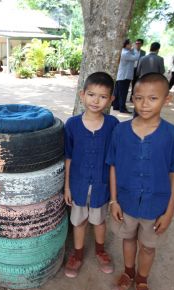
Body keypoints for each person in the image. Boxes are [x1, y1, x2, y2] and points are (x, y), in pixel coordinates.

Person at [107, 73, 174, 290]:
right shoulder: (120, 131)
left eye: (153, 98)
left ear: (167, 100)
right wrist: (114, 200)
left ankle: (142, 279)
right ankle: (128, 272)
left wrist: (170, 212)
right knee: (128, 239)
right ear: (132, 98)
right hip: (125, 202)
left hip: (156, 205)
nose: (144, 104)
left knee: (148, 246)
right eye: (138, 98)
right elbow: (113, 166)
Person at [63, 72, 119, 278]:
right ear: (82, 94)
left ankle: (100, 250)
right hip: (77, 184)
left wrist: (114, 195)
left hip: (101, 186)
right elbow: (68, 157)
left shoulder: (113, 125)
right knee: (79, 221)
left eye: (103, 96)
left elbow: (115, 161)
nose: (96, 101)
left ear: (111, 99)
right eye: (91, 94)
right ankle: (77, 255)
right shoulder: (72, 125)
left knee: (99, 220)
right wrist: (67, 187)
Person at [113, 39, 140, 114]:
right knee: (123, 93)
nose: (131, 45)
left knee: (118, 92)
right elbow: (136, 57)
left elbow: (131, 54)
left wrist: (132, 49)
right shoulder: (126, 53)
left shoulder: (124, 51)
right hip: (125, 76)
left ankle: (116, 106)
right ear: (126, 45)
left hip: (121, 75)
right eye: (130, 44)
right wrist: (135, 49)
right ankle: (122, 108)